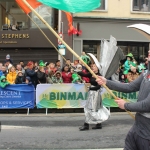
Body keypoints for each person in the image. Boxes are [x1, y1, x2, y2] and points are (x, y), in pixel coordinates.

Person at [96, 50, 150, 150]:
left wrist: (126, 105)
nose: (148, 51)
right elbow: (130, 87)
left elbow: (147, 105)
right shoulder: (146, 73)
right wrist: (106, 82)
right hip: (137, 128)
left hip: (147, 132)